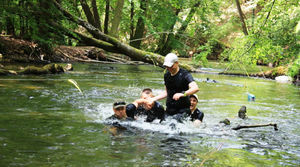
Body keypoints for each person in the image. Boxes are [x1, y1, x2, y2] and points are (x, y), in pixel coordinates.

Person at [148, 53, 199, 121]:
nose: (169, 68)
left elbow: (195, 88)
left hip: (183, 110)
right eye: (167, 66)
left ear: (177, 63)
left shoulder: (185, 74)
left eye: (171, 66)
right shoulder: (167, 75)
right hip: (170, 109)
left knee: (173, 123)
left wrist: (182, 94)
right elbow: (166, 92)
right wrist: (153, 99)